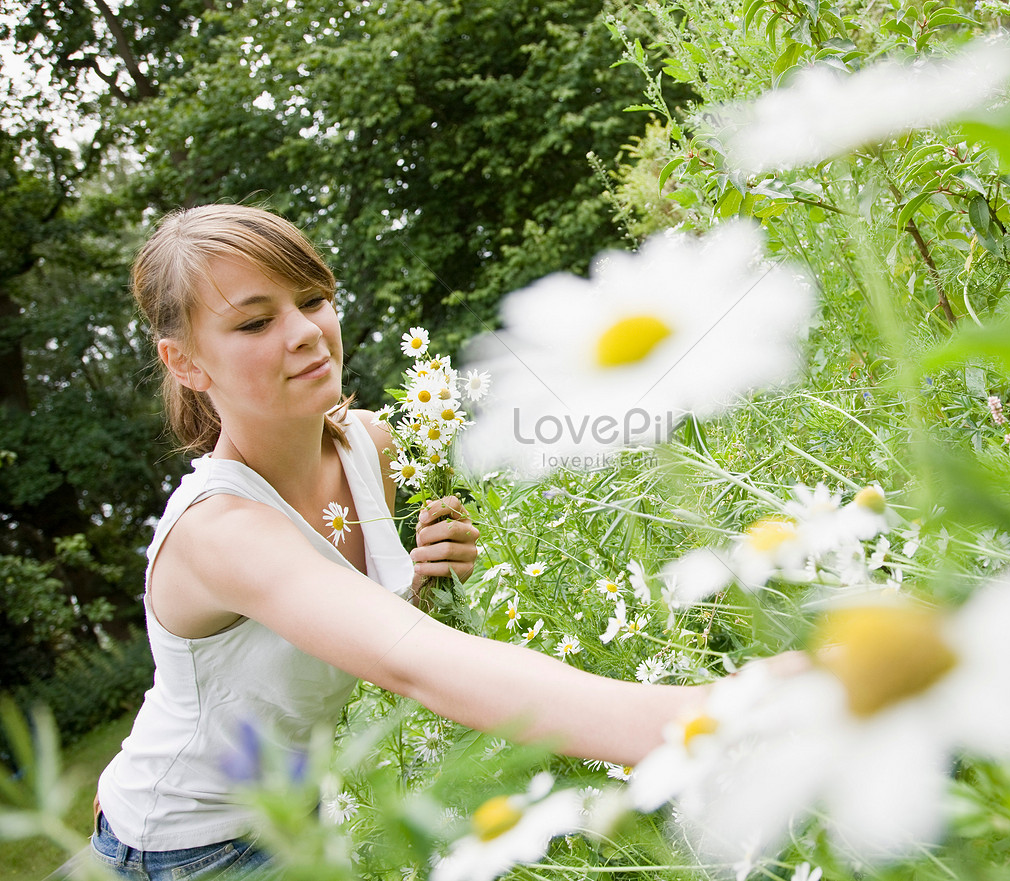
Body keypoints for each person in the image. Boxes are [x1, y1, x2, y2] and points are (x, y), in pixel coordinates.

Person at [90, 204, 711, 879]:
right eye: (255, 321)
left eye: (312, 299)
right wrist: (702, 720)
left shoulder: (370, 446)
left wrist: (416, 585)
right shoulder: (221, 530)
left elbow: (346, 636)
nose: (304, 333)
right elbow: (414, 664)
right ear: (184, 362)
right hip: (187, 848)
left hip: (297, 813)